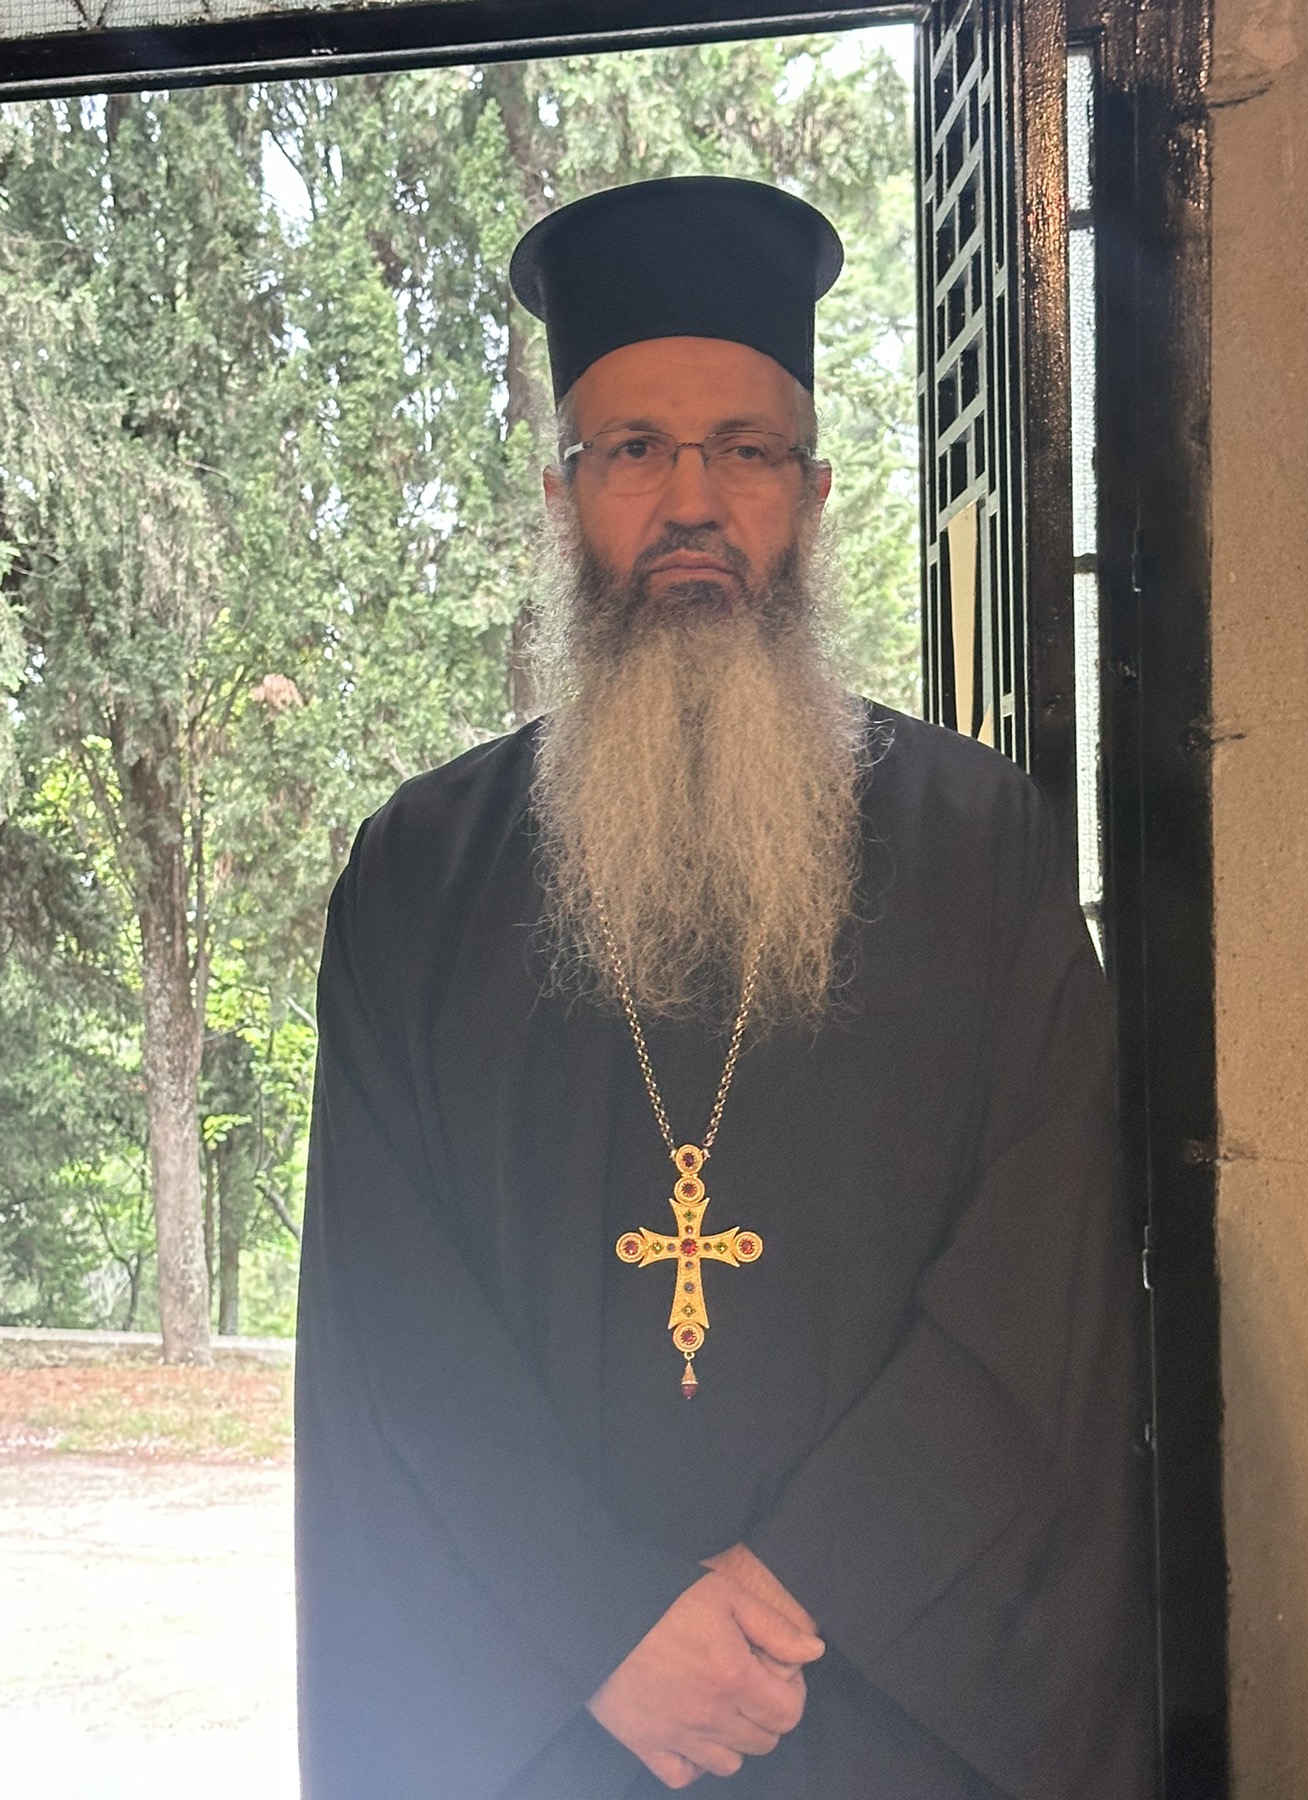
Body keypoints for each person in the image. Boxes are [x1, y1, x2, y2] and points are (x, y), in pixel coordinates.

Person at [295, 176, 1154, 1800]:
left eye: (744, 450)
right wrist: (602, 1625)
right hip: (547, 1711)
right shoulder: (420, 875)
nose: (690, 500)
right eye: (633, 449)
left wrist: (805, 1580)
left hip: (887, 1696)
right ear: (564, 495)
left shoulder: (978, 848)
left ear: (810, 496)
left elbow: (1042, 1268)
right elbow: (389, 1317)